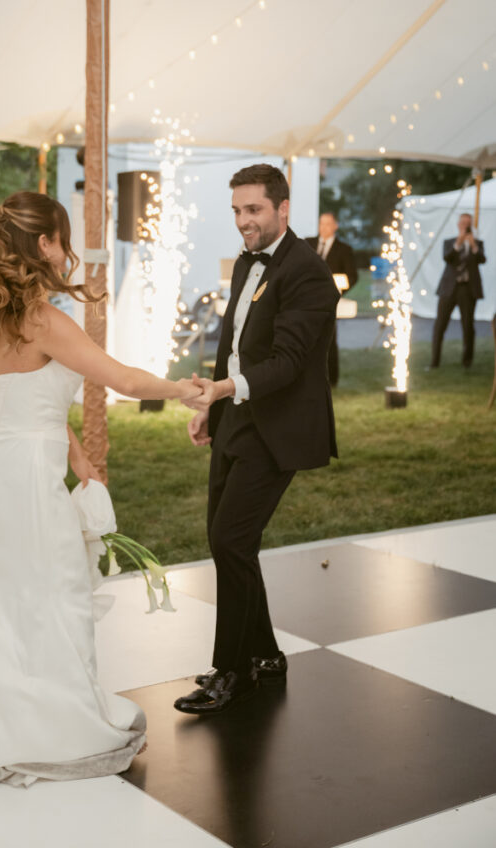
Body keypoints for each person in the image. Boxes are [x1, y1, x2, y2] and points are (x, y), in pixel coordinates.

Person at [0, 191, 203, 786]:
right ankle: (43, 722)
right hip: (26, 478)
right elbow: (121, 378)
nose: (71, 250)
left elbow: (27, 399)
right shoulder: (45, 320)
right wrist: (183, 389)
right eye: (65, 237)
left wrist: (78, 453)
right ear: (47, 244)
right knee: (44, 591)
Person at [174, 164, 339, 716]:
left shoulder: (309, 274)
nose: (243, 222)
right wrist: (216, 406)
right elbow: (236, 345)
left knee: (230, 541)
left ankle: (232, 671)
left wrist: (224, 388)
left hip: (279, 427)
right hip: (238, 418)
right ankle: (265, 655)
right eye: (237, 211)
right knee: (227, 541)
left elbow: (288, 363)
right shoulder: (248, 262)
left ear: (282, 208)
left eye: (254, 211)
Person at [305, 212, 358, 387]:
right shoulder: (307, 244)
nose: (324, 227)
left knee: (328, 338)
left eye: (328, 224)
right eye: (321, 223)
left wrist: (339, 291)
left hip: (329, 301)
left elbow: (352, 276)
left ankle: (331, 378)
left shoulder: (344, 249)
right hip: (306, 300)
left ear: (335, 226)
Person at [431, 212, 486, 369]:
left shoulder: (478, 243)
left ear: (471, 225)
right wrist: (459, 243)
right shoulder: (450, 242)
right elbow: (447, 258)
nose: (465, 226)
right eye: (462, 223)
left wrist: (473, 245)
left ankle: (467, 362)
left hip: (468, 289)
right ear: (458, 224)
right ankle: (435, 361)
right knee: (440, 324)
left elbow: (482, 259)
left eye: (467, 224)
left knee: (468, 325)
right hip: (449, 288)